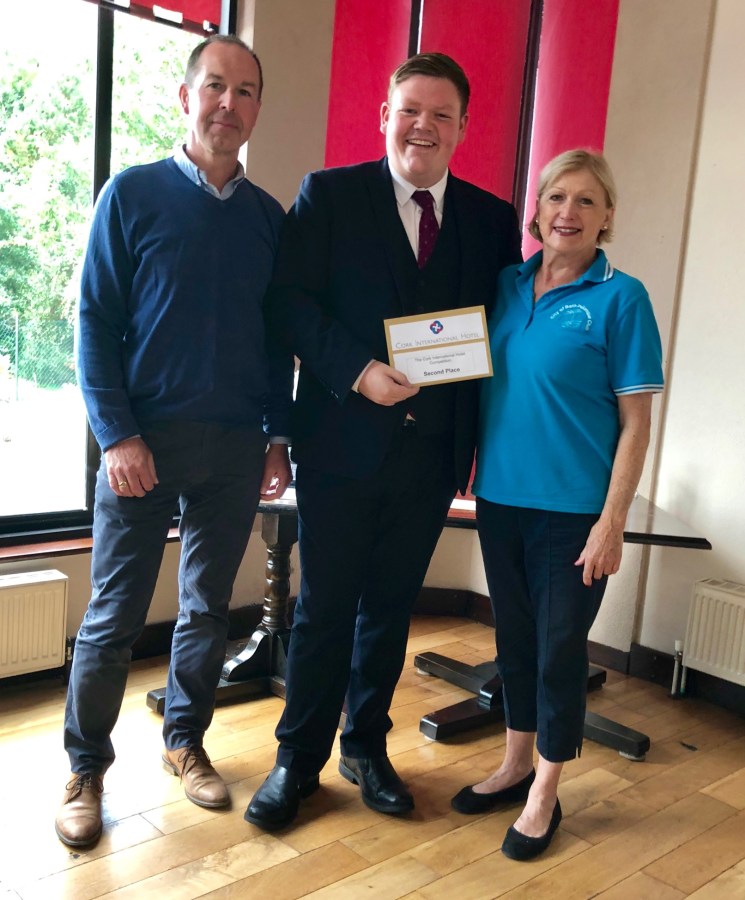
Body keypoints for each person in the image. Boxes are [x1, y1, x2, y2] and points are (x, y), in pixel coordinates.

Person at [245, 52, 522, 831]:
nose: (422, 127)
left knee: (391, 610)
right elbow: (289, 304)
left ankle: (365, 747)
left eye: (440, 115)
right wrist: (355, 371)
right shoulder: (328, 195)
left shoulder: (491, 219)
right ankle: (297, 759)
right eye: (409, 110)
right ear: (384, 116)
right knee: (325, 609)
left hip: (432, 454)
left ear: (462, 127)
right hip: (339, 445)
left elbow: (499, 330)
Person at [55, 34, 294, 849]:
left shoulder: (268, 220)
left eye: (245, 91)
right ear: (186, 98)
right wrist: (116, 435)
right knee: (113, 616)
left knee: (205, 609)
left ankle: (184, 741)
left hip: (233, 448)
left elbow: (277, 342)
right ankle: (85, 768)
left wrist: (276, 439)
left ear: (256, 109)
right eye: (215, 86)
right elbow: (93, 323)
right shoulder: (131, 194)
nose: (229, 103)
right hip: (141, 447)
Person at [450, 149, 664, 861]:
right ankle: (514, 764)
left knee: (558, 653)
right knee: (514, 643)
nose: (567, 212)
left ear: (606, 217)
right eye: (555, 197)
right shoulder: (507, 286)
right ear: (536, 211)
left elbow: (636, 424)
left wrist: (612, 522)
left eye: (585, 200)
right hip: (500, 498)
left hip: (574, 513)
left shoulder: (621, 298)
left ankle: (545, 791)